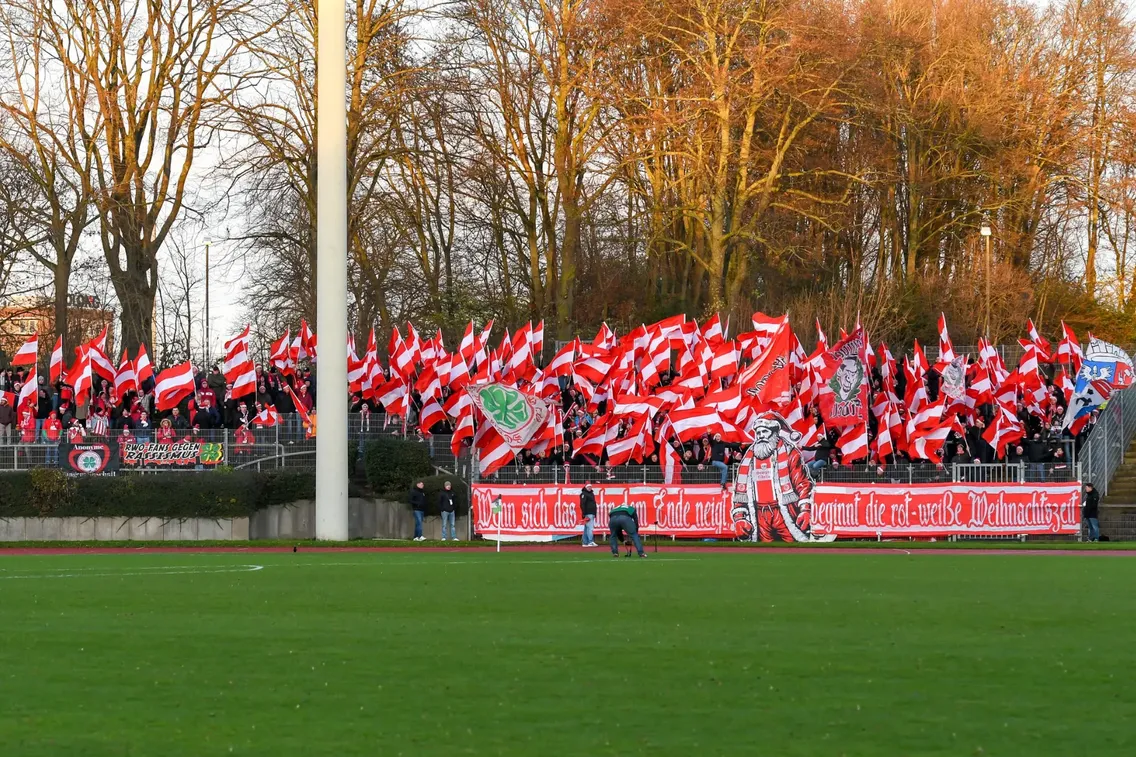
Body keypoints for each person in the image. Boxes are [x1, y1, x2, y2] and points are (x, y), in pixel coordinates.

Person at [579, 482, 598, 547]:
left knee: (586, 528)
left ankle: (585, 542)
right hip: (588, 513)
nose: (590, 488)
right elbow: (582, 504)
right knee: (590, 528)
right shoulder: (584, 494)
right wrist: (584, 513)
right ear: (586, 487)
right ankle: (590, 541)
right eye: (588, 487)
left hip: (591, 513)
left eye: (590, 487)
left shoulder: (591, 494)